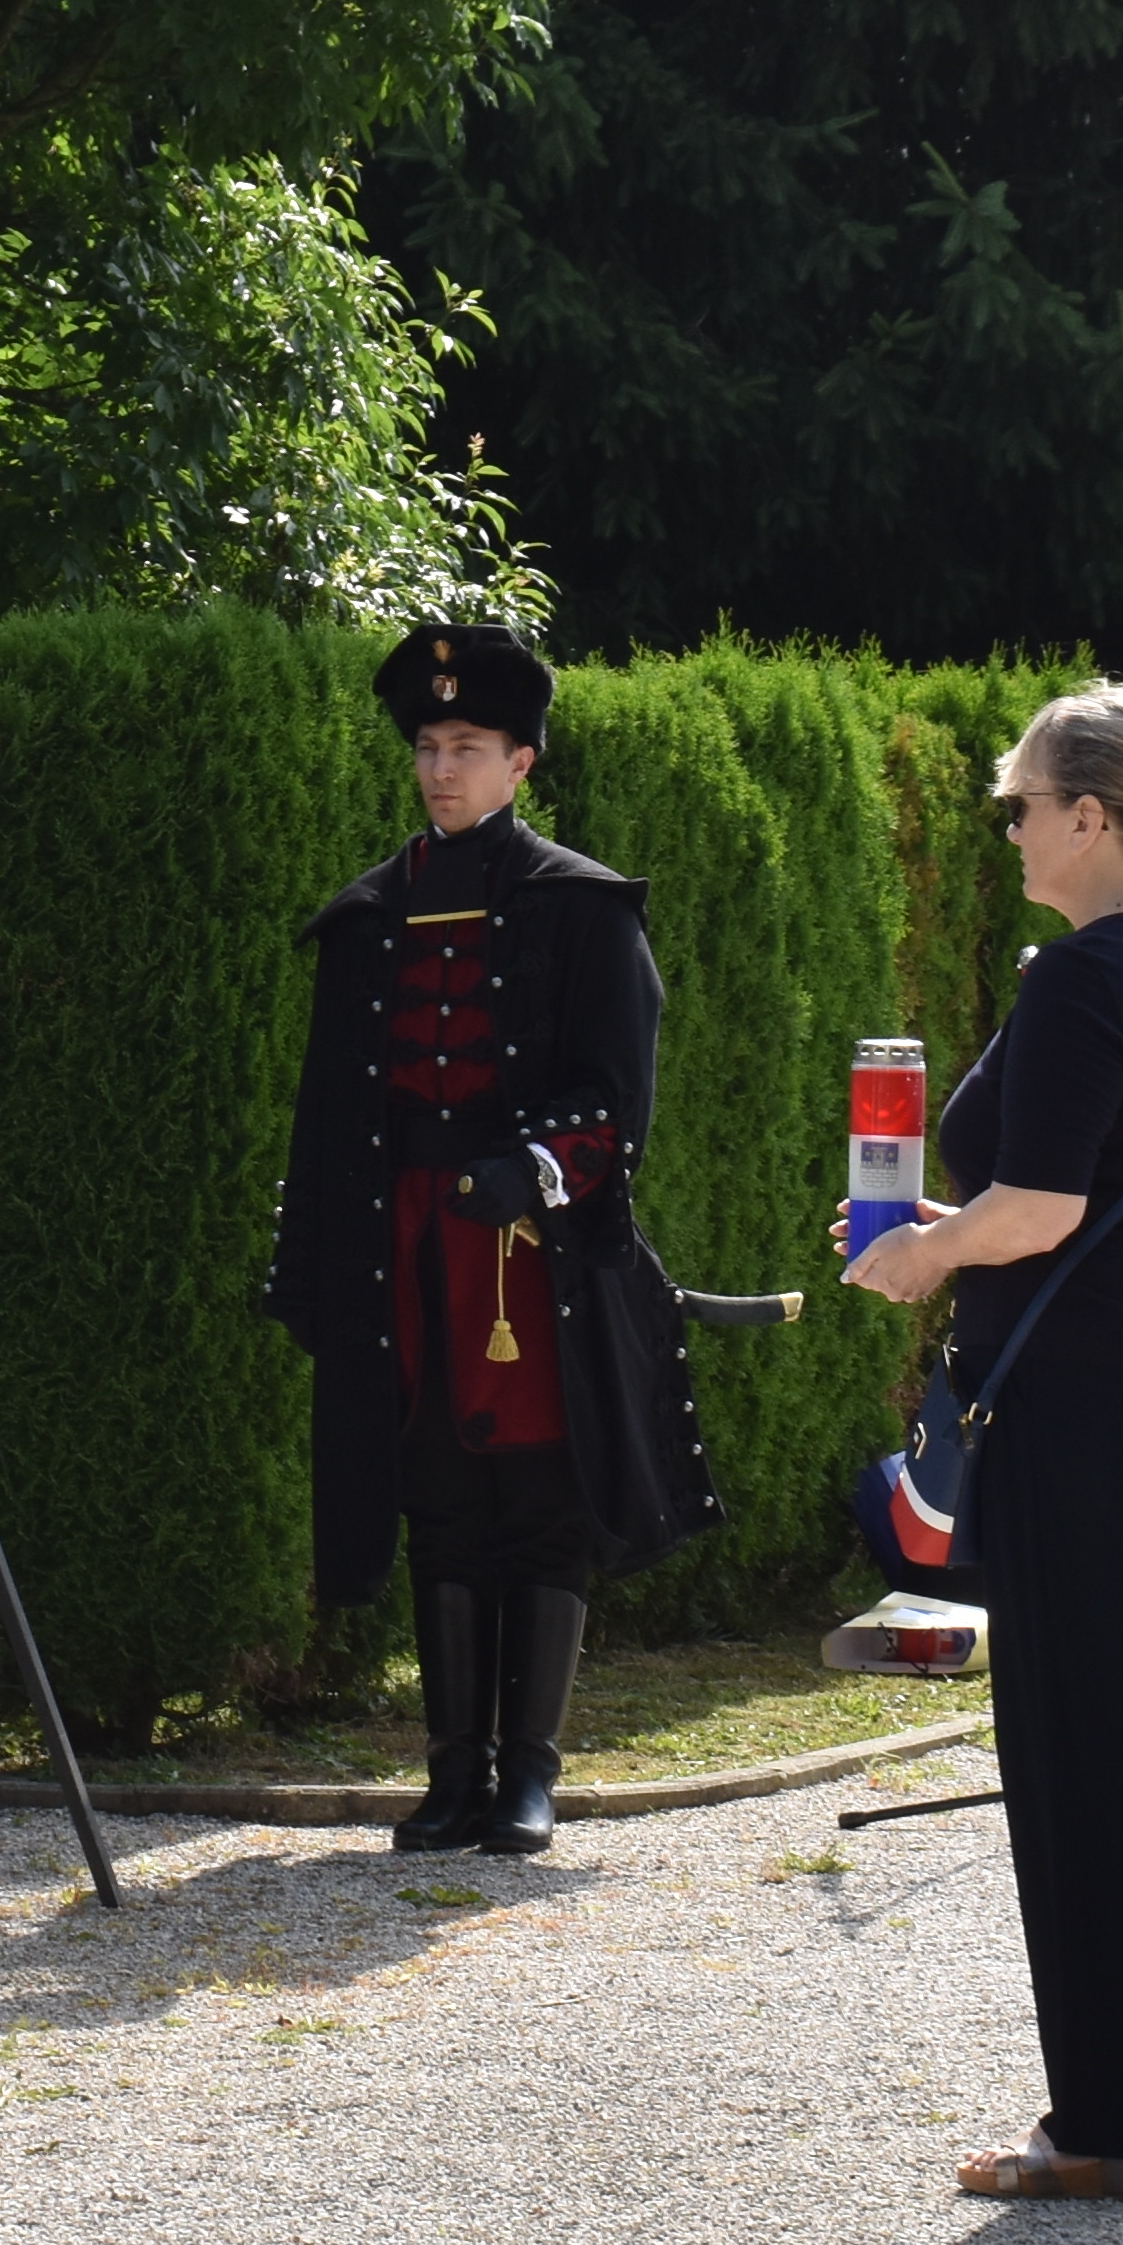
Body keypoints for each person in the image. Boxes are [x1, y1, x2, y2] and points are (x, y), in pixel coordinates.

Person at [843, 688, 1123, 2199]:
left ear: (1092, 816)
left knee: (1087, 1752)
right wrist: (955, 1235)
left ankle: (1115, 2125)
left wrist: (926, 1254)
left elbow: (1047, 1207)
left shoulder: (1090, 976)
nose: (1010, 822)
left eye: (1023, 800)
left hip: (1103, 1397)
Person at [264, 620, 724, 1857]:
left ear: (522, 762)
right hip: (400, 1244)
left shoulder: (581, 908)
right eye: (427, 744)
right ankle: (452, 1772)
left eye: (467, 745)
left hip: (529, 1253)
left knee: (538, 1489)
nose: (440, 768)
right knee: (438, 1489)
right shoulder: (367, 918)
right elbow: (324, 1117)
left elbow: (619, 1097)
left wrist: (530, 1167)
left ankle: (531, 1773)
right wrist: (306, 1256)